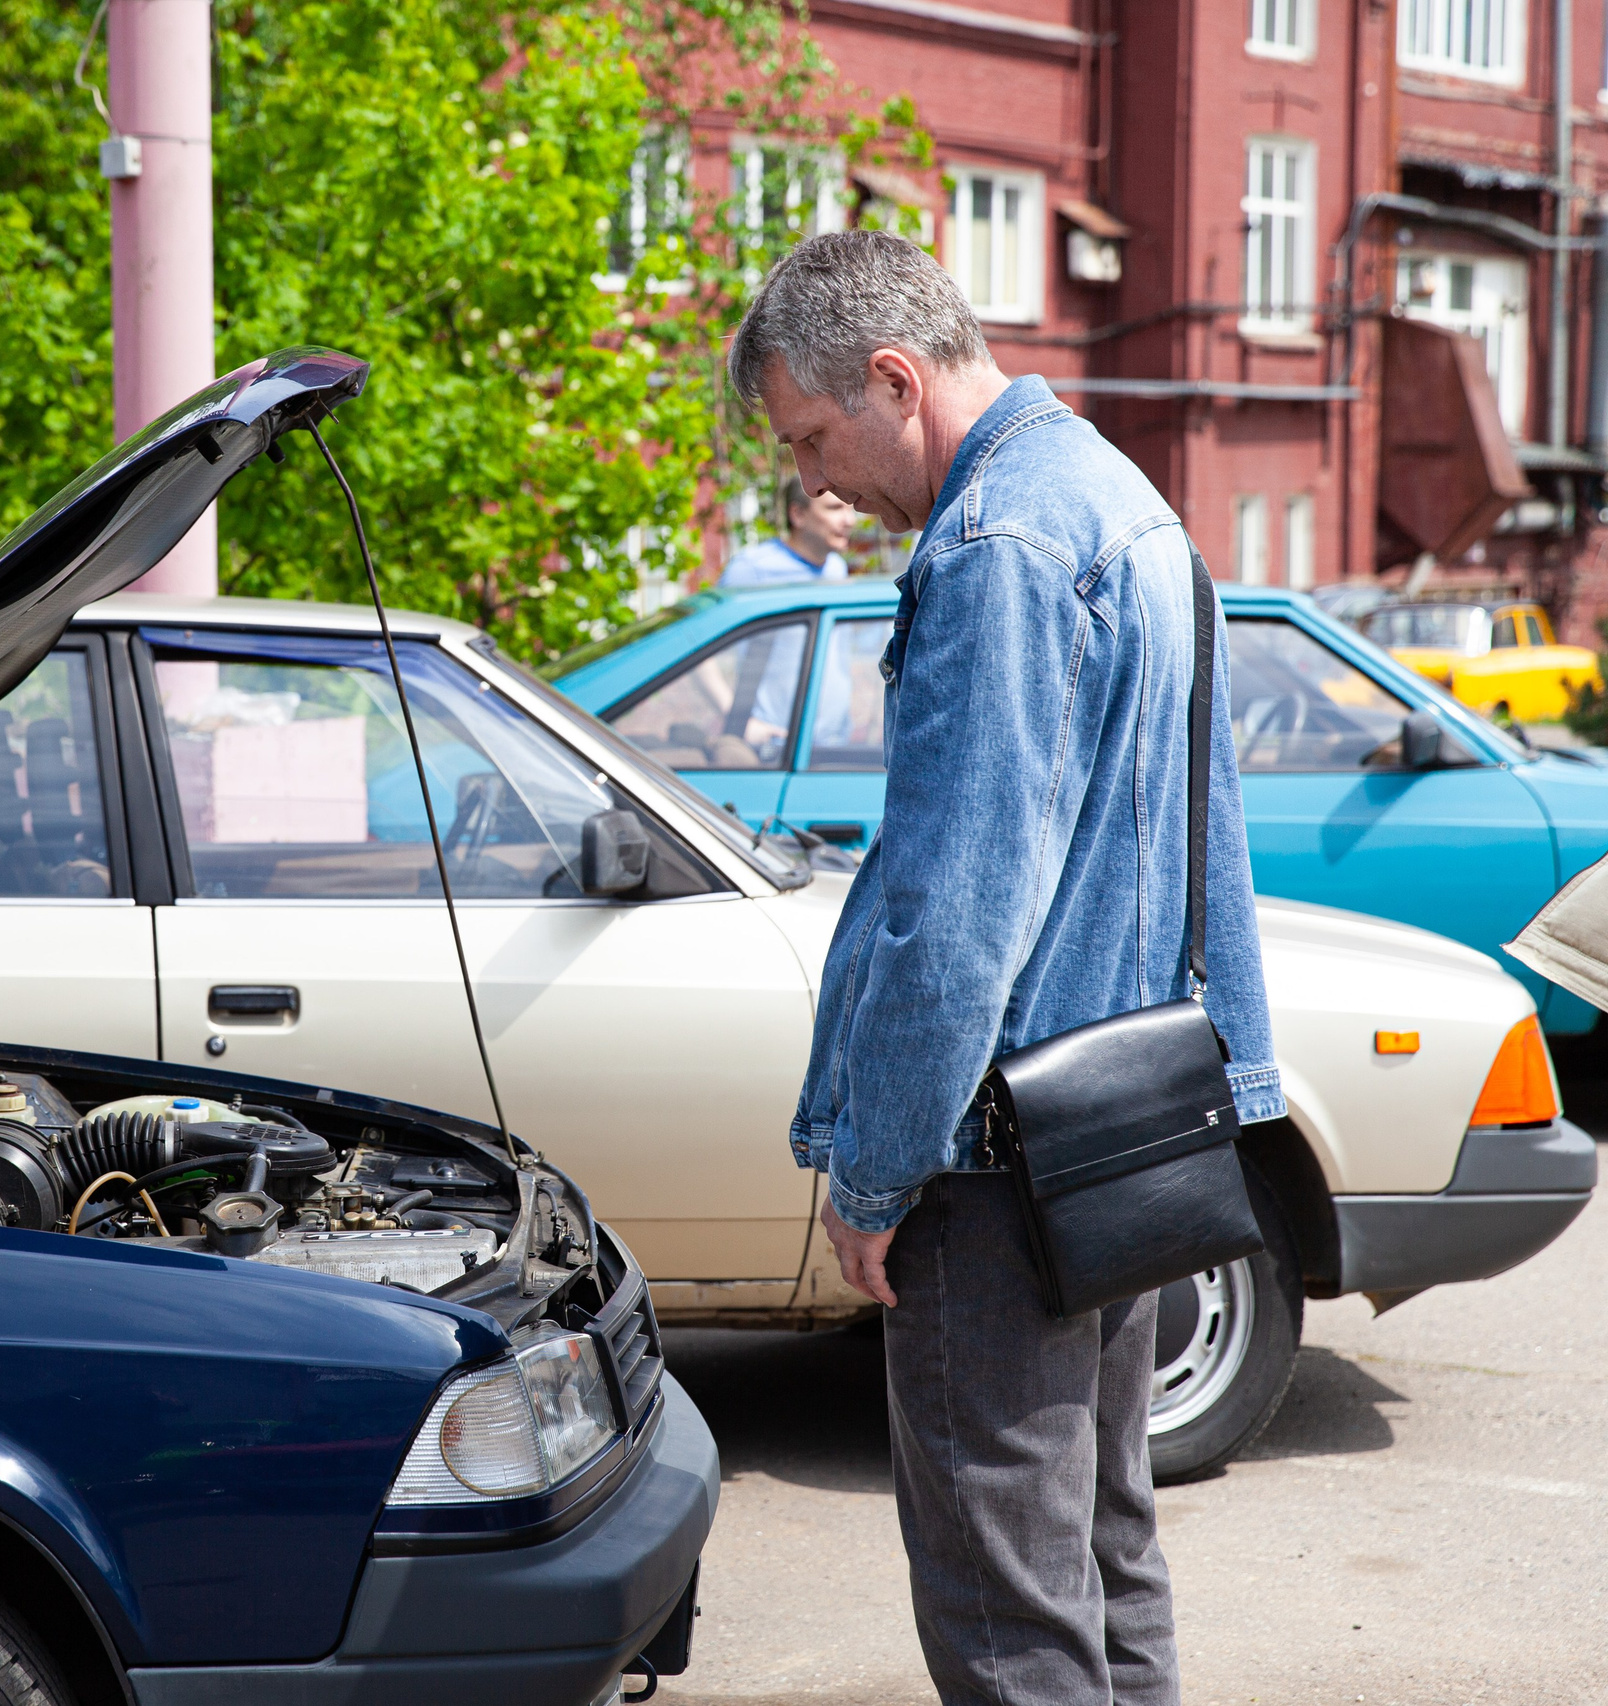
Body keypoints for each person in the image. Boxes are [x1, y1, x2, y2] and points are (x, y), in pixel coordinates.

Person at [732, 229, 1280, 1705]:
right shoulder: (1119, 497)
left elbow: (956, 916)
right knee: (1101, 1553)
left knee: (1007, 1610)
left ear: (894, 379)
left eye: (813, 437)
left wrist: (873, 1174)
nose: (819, 484)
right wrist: (1222, 1080)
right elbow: (1204, 847)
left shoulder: (996, 548)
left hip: (993, 1164)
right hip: (1114, 1136)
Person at [720, 483, 856, 585]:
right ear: (798, 514)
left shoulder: (836, 568)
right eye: (835, 508)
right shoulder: (750, 570)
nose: (850, 521)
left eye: (850, 510)